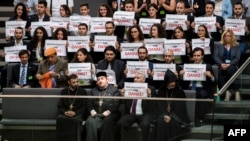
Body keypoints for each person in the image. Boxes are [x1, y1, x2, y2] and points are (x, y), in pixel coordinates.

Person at [179, 47, 216, 127]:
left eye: (198, 55)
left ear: (202, 56)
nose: (196, 57)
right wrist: (181, 76)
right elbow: (182, 83)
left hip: (202, 88)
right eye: (194, 55)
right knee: (182, 94)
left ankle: (198, 118)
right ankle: (185, 119)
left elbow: (215, 82)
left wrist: (211, 76)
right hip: (190, 87)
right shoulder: (187, 67)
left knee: (199, 94)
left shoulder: (208, 66)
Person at [118, 72, 156, 141]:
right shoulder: (128, 88)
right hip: (131, 114)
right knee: (121, 123)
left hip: (144, 114)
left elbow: (154, 105)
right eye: (134, 78)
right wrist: (122, 96)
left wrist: (150, 95)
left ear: (143, 80)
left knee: (145, 125)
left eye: (137, 78)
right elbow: (122, 103)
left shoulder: (150, 89)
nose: (135, 80)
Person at [155, 69, 190, 141]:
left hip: (176, 116)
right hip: (163, 115)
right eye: (171, 82)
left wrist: (171, 116)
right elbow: (158, 105)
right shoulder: (161, 91)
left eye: (174, 81)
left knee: (173, 123)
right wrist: (164, 115)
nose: (173, 83)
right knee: (161, 123)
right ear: (166, 82)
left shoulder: (179, 91)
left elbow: (180, 107)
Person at [85, 71, 120, 141]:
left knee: (107, 122)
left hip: (110, 114)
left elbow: (116, 103)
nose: (100, 80)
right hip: (96, 113)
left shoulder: (114, 90)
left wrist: (109, 111)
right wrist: (92, 110)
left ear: (107, 80)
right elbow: (89, 103)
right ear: (96, 82)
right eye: (98, 79)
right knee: (90, 121)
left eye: (102, 78)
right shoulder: (93, 91)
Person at [56, 74, 87, 141]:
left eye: (77, 82)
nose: (76, 84)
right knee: (60, 119)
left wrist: (75, 113)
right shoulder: (64, 91)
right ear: (69, 82)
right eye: (73, 82)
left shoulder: (82, 91)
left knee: (76, 120)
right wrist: (65, 112)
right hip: (66, 113)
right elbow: (60, 106)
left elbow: (84, 107)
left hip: (77, 114)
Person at [213, 29, 241, 101]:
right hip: (220, 65)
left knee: (230, 70)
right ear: (223, 36)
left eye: (229, 36)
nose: (227, 37)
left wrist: (229, 64)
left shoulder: (237, 45)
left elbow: (237, 58)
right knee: (217, 72)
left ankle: (236, 91)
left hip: (232, 65)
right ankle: (227, 92)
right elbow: (215, 56)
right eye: (225, 36)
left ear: (232, 37)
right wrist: (221, 64)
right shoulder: (218, 44)